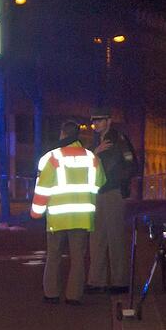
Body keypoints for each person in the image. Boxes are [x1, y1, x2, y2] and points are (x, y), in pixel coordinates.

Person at [31, 120, 105, 305]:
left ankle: (51, 294)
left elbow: (43, 187)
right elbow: (100, 182)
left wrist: (36, 212)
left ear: (63, 134)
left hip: (57, 217)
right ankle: (73, 296)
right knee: (78, 257)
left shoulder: (53, 158)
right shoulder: (91, 158)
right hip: (82, 217)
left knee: (54, 255)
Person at [87, 116, 137, 294]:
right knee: (97, 237)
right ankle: (96, 281)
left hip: (112, 192)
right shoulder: (98, 141)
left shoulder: (119, 139)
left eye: (100, 120)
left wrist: (118, 183)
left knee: (115, 237)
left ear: (108, 121)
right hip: (99, 192)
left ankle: (119, 282)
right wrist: (96, 152)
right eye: (94, 121)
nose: (96, 124)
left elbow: (131, 163)